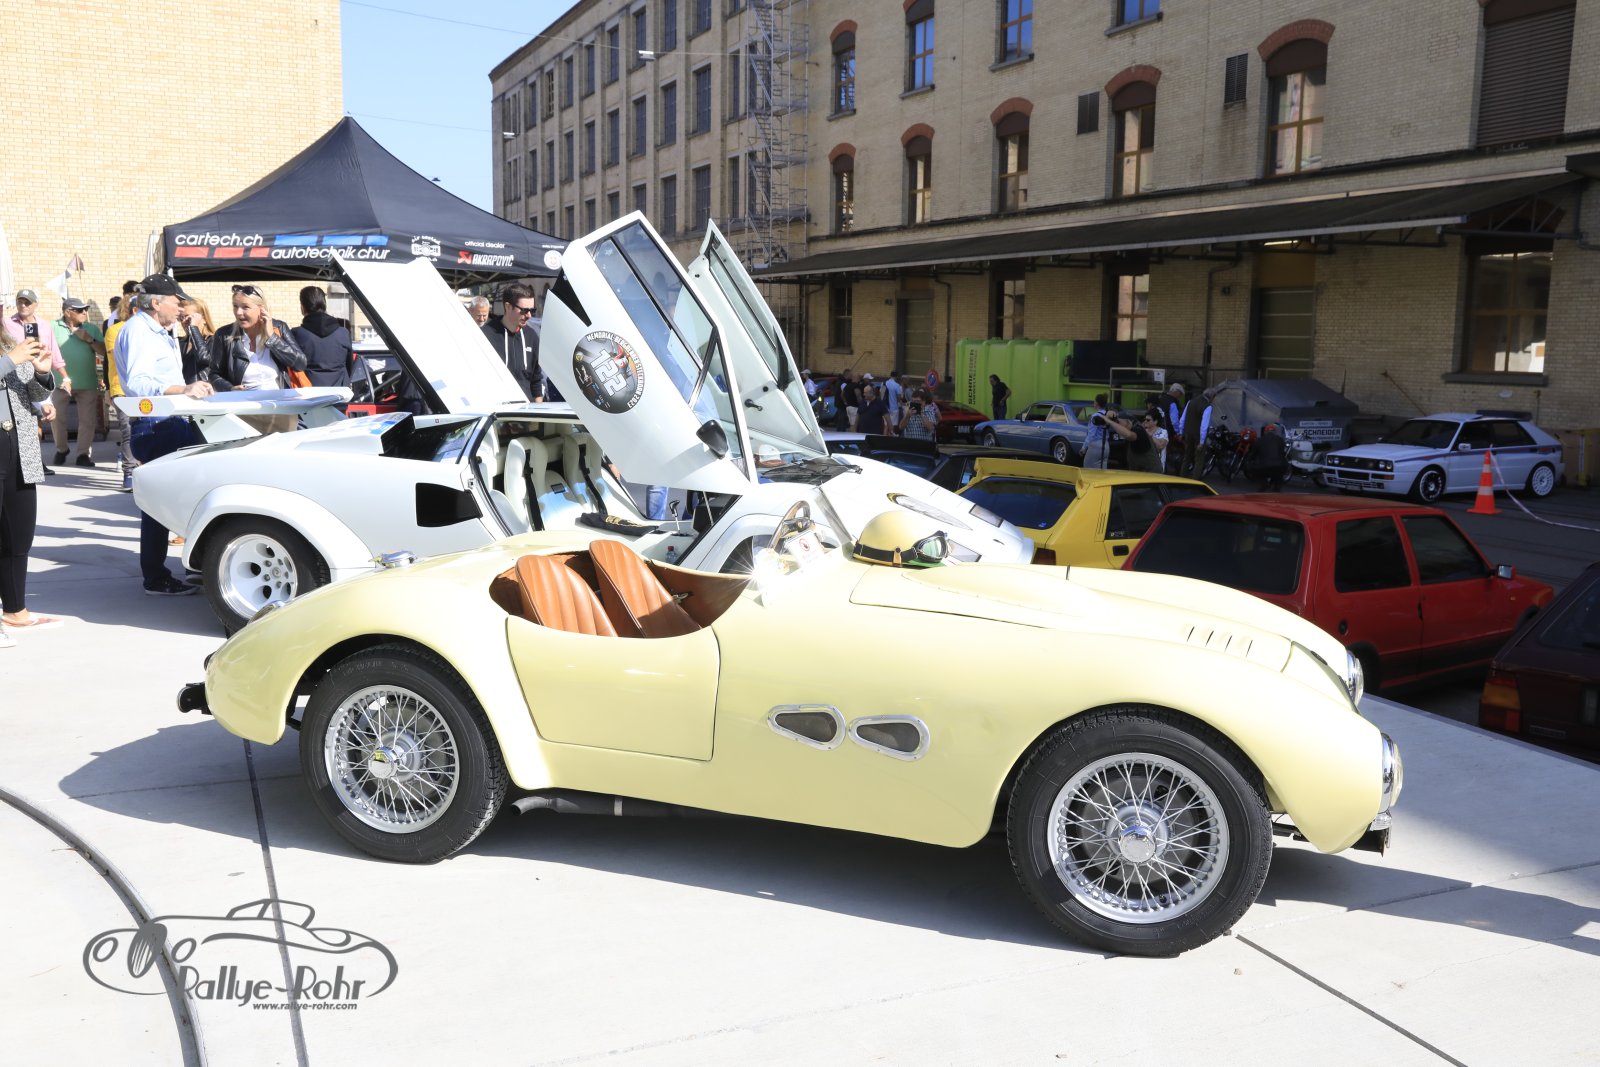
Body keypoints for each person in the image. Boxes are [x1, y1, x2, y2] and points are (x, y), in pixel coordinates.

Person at [117, 274, 213, 595]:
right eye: (176, 301)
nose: (181, 307)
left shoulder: (161, 331)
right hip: (157, 424)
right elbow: (138, 383)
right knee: (162, 503)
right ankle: (157, 576)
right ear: (156, 303)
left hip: (170, 422)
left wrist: (189, 331)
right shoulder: (139, 331)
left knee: (182, 497)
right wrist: (182, 389)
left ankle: (187, 567)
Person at [0, 307, 62, 644]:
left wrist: (41, 373)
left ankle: (15, 610)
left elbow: (35, 394)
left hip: (19, 443)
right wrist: (11, 361)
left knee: (18, 531)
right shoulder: (11, 352)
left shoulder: (8, 342)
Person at [211, 283, 308, 433]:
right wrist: (230, 388)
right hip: (243, 413)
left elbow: (300, 363)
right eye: (235, 306)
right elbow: (214, 374)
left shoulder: (279, 328)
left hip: (280, 410)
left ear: (261, 308)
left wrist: (271, 337)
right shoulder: (224, 335)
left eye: (245, 307)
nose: (239, 313)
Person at [4, 289, 66, 473]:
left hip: (37, 379)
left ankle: (34, 462)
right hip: (13, 386)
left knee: (37, 421)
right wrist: (14, 359)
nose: (23, 305)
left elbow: (54, 354)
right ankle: (30, 463)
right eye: (20, 302)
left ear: (35, 305)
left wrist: (64, 376)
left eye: (27, 302)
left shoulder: (44, 325)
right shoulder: (6, 323)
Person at [50, 296, 106, 467]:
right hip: (59, 382)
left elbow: (104, 351)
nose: (85, 313)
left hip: (87, 382)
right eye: (80, 310)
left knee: (87, 420)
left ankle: (83, 454)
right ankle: (61, 449)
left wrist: (89, 339)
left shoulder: (91, 328)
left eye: (86, 309)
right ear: (68, 312)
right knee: (56, 418)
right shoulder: (52, 327)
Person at [482, 283, 542, 401]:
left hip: (527, 408)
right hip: (496, 408)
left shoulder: (531, 336)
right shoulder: (486, 335)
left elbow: (536, 380)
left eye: (532, 310)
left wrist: (538, 409)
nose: (529, 315)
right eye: (524, 310)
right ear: (508, 307)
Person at [289, 286, 354, 390]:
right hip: (340, 392)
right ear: (324, 305)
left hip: (308, 393)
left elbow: (292, 367)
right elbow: (349, 366)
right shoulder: (343, 333)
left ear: (302, 307)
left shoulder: (296, 334)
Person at [177, 296, 216, 385]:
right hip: (182, 391)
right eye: (181, 318)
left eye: (188, 317)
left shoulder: (215, 340)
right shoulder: (180, 342)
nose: (184, 321)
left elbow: (204, 358)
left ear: (204, 319)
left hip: (205, 391)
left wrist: (193, 327)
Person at [1180, 386, 1215, 478]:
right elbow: (1204, 426)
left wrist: (1181, 432)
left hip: (1188, 433)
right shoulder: (1207, 406)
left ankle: (1182, 477)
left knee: (1187, 457)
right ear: (1212, 397)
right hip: (1198, 436)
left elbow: (1182, 419)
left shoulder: (1190, 402)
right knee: (1199, 460)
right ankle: (1195, 480)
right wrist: (1202, 442)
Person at [1251, 422, 1289, 491]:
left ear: (1265, 432)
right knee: (1278, 469)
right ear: (1275, 432)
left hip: (1264, 467)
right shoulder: (1280, 440)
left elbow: (1253, 454)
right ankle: (1277, 486)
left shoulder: (1259, 440)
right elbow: (1283, 453)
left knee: (1255, 467)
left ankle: (1264, 484)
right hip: (1280, 467)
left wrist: (1251, 461)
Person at [1081, 393, 1112, 469]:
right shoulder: (1108, 415)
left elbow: (1091, 434)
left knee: (1088, 468)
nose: (1093, 403)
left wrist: (1084, 447)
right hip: (1106, 446)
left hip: (1096, 446)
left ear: (1097, 403)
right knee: (1102, 471)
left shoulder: (1095, 416)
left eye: (1094, 401)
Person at [884, 369, 904, 433]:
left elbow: (881, 395)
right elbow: (899, 398)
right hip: (894, 408)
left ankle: (884, 436)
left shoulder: (884, 383)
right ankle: (890, 436)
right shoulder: (897, 385)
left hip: (885, 407)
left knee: (886, 425)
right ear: (897, 376)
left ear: (890, 375)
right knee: (892, 425)